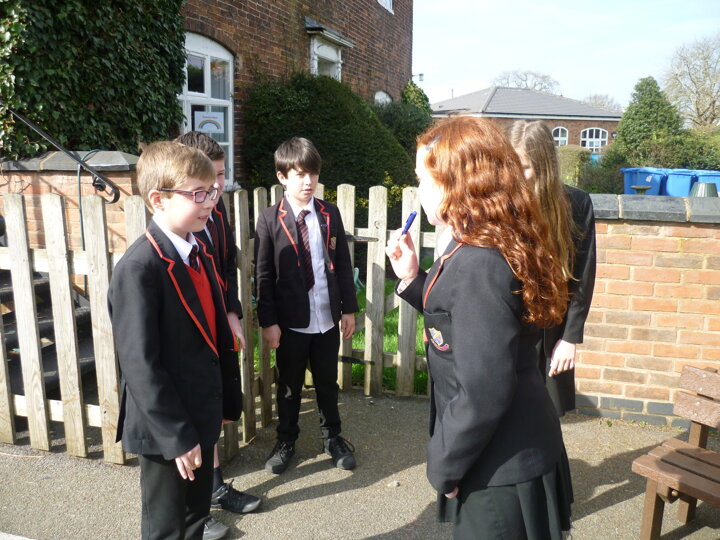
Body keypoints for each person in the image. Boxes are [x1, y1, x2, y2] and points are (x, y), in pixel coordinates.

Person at [386, 117, 573, 539]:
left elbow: (484, 389)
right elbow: (460, 322)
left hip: (499, 463)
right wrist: (412, 278)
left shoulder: (480, 261)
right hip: (503, 448)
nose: (418, 190)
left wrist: (445, 465)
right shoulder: (480, 241)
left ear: (457, 183)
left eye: (423, 179)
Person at [108, 141, 243, 539]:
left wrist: (222, 401)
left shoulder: (198, 249)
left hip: (200, 412)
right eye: (197, 193)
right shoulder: (139, 268)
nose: (210, 202)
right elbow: (140, 366)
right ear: (158, 199)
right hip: (167, 427)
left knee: (195, 518)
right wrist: (177, 437)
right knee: (167, 528)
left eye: (212, 192)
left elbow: (211, 331)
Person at [255, 136, 359, 474]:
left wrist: (348, 308)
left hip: (326, 318)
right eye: (300, 174)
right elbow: (264, 275)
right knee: (289, 387)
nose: (308, 181)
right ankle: (286, 440)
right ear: (282, 177)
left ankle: (333, 438)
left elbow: (343, 264)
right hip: (291, 323)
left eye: (312, 173)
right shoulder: (270, 219)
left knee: (327, 382)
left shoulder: (329, 213)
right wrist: (268, 322)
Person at [175, 132, 262, 533]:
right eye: (210, 178)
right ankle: (193, 511)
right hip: (190, 330)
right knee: (192, 415)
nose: (217, 187)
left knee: (215, 407)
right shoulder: (179, 217)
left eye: (222, 176)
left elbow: (226, 263)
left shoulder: (217, 205)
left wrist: (230, 311)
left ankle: (213, 488)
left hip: (216, 321)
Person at [508, 120, 597, 417]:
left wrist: (570, 338)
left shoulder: (576, 204)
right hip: (505, 325)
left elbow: (582, 276)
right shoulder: (501, 203)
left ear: (544, 166)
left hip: (549, 331)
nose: (515, 176)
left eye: (524, 167)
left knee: (544, 416)